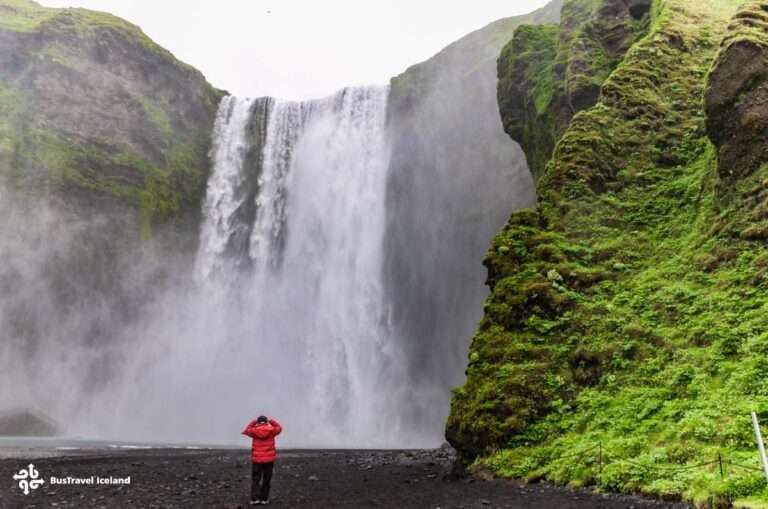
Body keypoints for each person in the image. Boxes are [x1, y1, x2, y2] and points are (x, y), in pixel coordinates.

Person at [242, 415, 282, 505]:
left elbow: (247, 429)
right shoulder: (272, 430)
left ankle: (255, 499)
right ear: (266, 421)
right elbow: (279, 427)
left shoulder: (253, 431)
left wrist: (254, 421)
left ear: (258, 422)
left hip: (257, 460)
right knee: (267, 479)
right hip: (269, 459)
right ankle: (264, 499)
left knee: (256, 479)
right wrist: (271, 420)